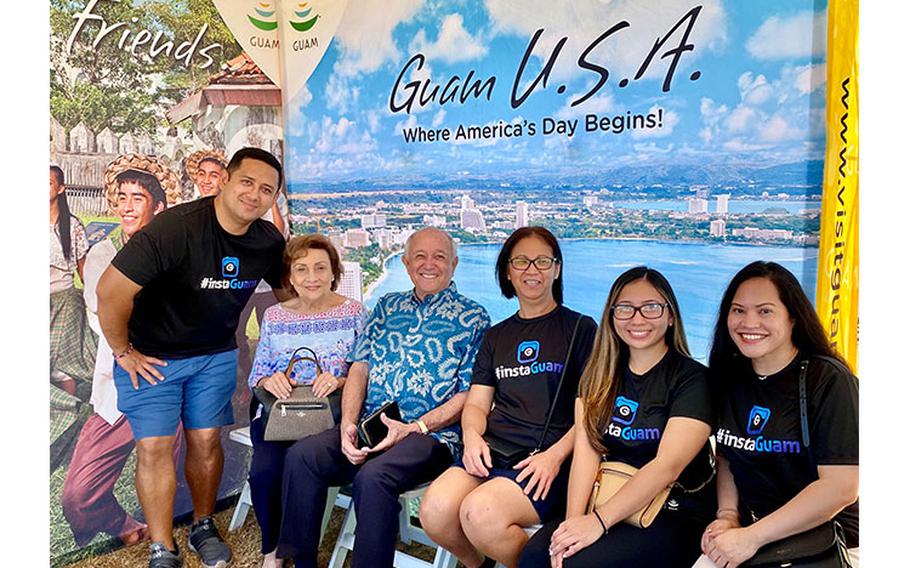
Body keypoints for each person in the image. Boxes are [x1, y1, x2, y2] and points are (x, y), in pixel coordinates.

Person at [96, 147, 288, 568]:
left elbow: (288, 295)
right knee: (156, 449)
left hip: (215, 355)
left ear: (274, 198)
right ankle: (162, 546)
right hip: (153, 357)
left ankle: (203, 524)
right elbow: (110, 292)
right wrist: (122, 352)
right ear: (225, 180)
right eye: (247, 182)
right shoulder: (175, 228)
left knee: (205, 441)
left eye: (267, 190)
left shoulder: (267, 241)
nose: (254, 195)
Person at [275, 227, 491, 568]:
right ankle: (300, 561)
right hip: (371, 424)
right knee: (303, 456)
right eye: (420, 256)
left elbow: (469, 393)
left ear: (455, 263)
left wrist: (416, 426)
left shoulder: (474, 317)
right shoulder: (387, 306)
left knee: (374, 477)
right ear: (405, 263)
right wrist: (348, 424)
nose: (429, 264)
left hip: (430, 436)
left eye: (439, 257)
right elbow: (359, 367)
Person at [420, 226, 597, 568]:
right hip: (493, 451)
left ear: (557, 269)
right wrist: (471, 437)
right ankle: (478, 564)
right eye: (521, 261)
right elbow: (476, 404)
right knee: (434, 512)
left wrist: (555, 456)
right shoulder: (496, 337)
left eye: (542, 261)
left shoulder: (581, 329)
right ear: (507, 271)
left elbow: (592, 412)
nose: (532, 270)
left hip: (547, 462)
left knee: (479, 514)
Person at [520, 266, 716, 568]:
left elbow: (667, 466)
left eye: (651, 307)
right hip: (608, 498)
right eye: (625, 308)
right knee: (535, 556)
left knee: (582, 565)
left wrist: (598, 523)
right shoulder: (598, 375)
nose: (637, 319)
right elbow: (587, 455)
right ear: (612, 316)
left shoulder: (692, 379)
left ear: (671, 315)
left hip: (671, 511)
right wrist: (574, 524)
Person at [694, 261, 859, 568]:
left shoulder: (827, 380)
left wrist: (751, 538)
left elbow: (841, 487)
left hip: (825, 540)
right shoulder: (731, 377)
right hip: (753, 533)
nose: (749, 322)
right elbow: (728, 458)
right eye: (738, 310)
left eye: (765, 311)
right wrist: (728, 516)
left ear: (793, 316)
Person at [62, 165, 181, 547]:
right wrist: (130, 347)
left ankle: (167, 529)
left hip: (167, 384)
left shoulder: (175, 255)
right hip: (118, 386)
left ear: (158, 207)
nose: (128, 208)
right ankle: (124, 524)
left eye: (139, 199)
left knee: (177, 472)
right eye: (123, 198)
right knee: (77, 496)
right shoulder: (102, 254)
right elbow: (104, 315)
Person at [247, 234, 368, 568]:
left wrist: (341, 380)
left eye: (320, 268)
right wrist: (270, 379)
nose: (311, 277)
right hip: (280, 415)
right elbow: (256, 375)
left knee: (302, 467)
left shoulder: (355, 313)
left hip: (329, 417)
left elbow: (369, 370)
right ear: (290, 275)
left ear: (333, 273)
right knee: (264, 473)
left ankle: (300, 556)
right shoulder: (274, 316)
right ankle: (273, 548)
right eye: (301, 269)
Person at [49, 165, 95, 393]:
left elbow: (83, 268)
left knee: (62, 361)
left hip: (66, 298)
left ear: (60, 188)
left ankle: (71, 410)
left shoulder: (73, 226)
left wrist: (93, 301)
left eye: (47, 183)